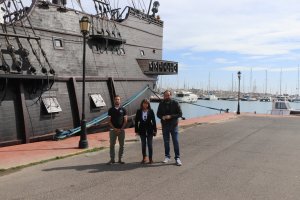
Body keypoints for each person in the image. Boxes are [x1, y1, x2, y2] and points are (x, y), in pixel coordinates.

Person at [157, 90, 183, 166]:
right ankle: (167, 156)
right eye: (165, 95)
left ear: (170, 95)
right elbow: (158, 114)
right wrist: (162, 117)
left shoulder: (175, 103)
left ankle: (177, 158)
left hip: (174, 125)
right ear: (164, 96)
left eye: (168, 95)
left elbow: (180, 114)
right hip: (165, 126)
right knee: (166, 142)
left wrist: (171, 116)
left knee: (176, 141)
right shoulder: (161, 103)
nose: (166, 97)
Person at [135, 99, 157, 164]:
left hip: (150, 130)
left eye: (147, 103)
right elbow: (136, 121)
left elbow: (154, 121)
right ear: (142, 104)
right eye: (144, 103)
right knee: (143, 145)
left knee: (150, 145)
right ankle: (144, 157)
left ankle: (150, 158)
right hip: (142, 130)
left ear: (148, 104)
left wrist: (155, 130)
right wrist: (136, 131)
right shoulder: (139, 111)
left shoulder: (151, 111)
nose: (145, 105)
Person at [107, 95, 128, 165]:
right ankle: (112, 159)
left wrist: (121, 129)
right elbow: (109, 121)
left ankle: (120, 159)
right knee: (112, 145)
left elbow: (125, 121)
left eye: (118, 99)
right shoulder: (111, 110)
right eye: (116, 99)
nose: (117, 100)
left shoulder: (123, 109)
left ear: (120, 100)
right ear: (114, 100)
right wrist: (114, 128)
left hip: (121, 130)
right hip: (113, 130)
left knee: (122, 145)